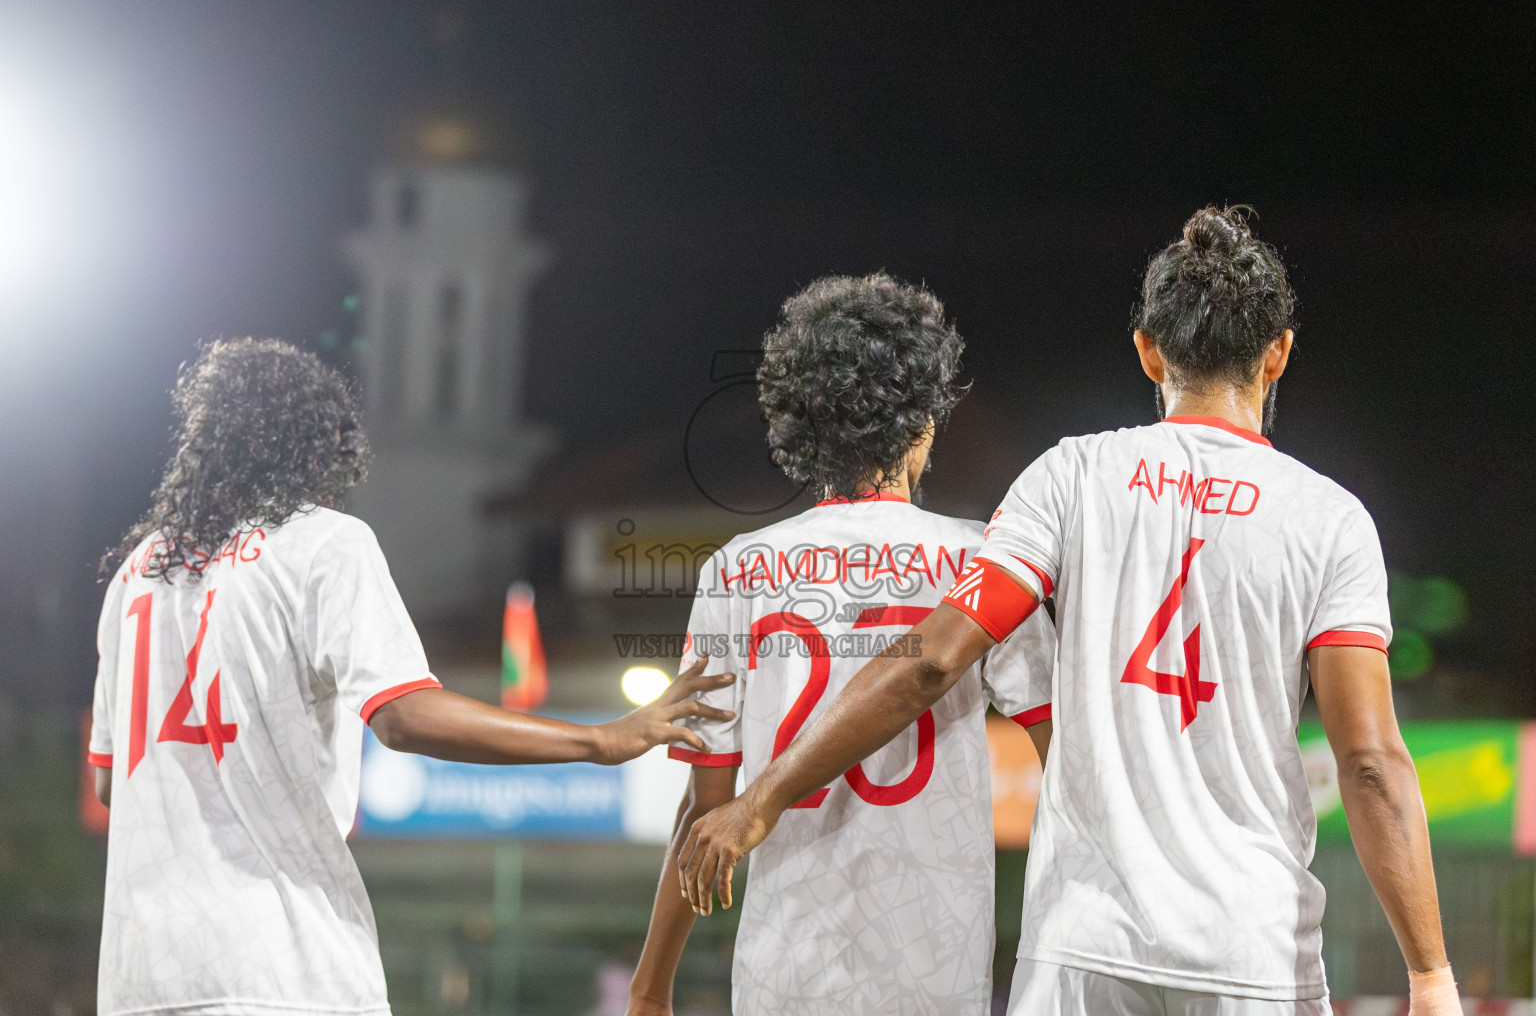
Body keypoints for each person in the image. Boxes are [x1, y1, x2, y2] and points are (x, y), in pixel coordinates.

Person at [679, 210, 1462, 1016]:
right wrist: (1430, 974)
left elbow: (932, 659)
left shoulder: (1071, 477)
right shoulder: (1328, 520)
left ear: (1148, 351)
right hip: (1253, 952)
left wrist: (762, 798)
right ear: (1279, 353)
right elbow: (1368, 761)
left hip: (1081, 950)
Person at [88, 339, 733, 1016]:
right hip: (279, 966)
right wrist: (598, 740)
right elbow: (401, 714)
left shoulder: (139, 574)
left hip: (140, 977)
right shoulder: (322, 542)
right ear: (315, 449)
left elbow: (111, 781)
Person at [625, 274, 1056, 1016]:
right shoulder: (980, 564)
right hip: (935, 967)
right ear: (924, 423)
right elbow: (1066, 758)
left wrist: (650, 984)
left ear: (801, 426)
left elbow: (708, 803)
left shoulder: (739, 568)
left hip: (782, 971)